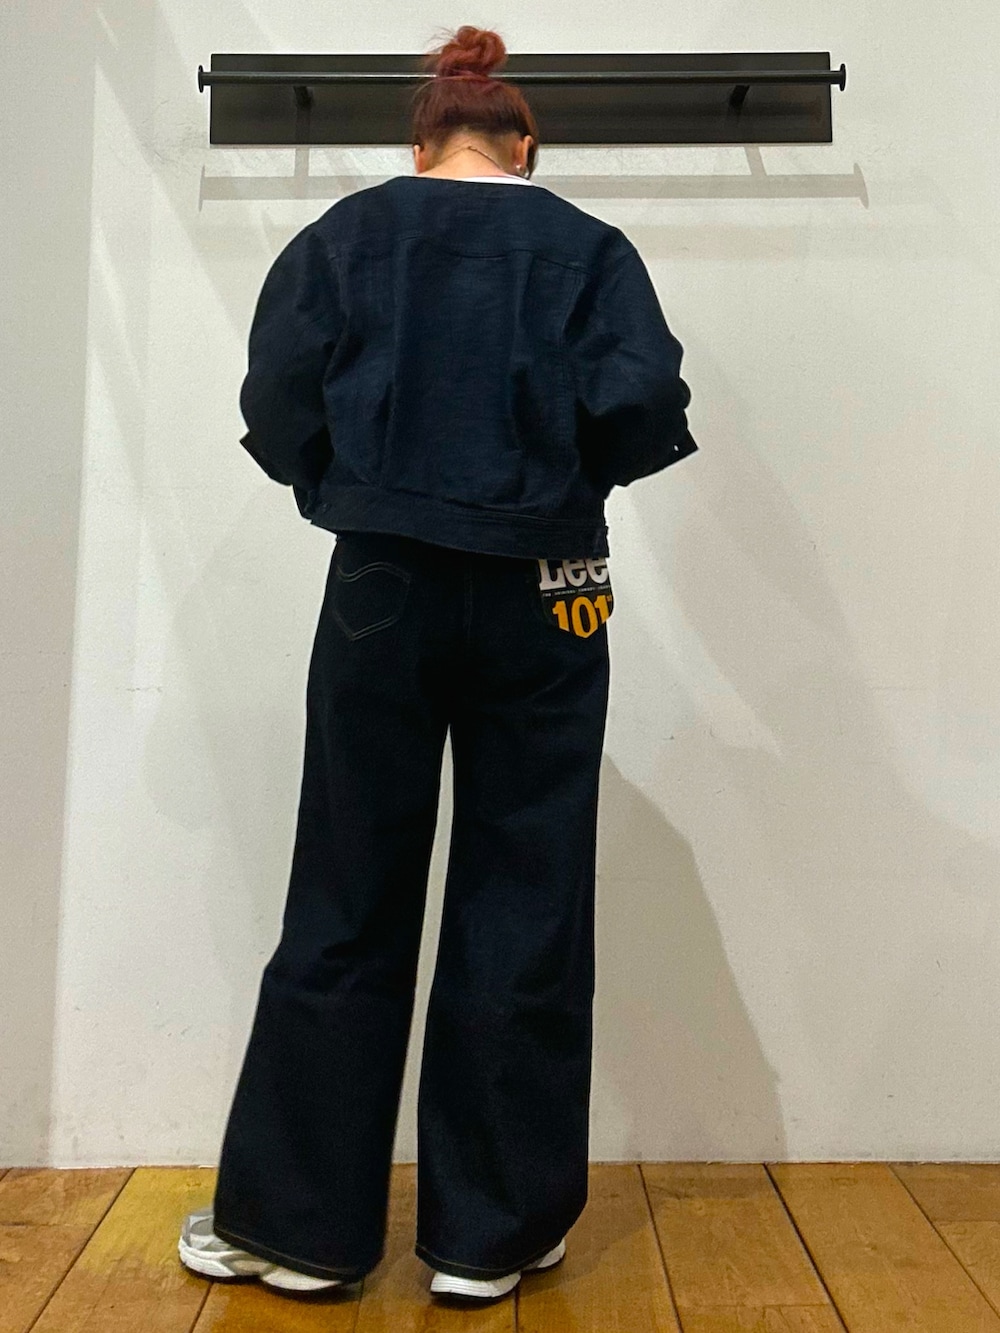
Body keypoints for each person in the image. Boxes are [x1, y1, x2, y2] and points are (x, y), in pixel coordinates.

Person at [177, 22, 697, 1303]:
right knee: (527, 888)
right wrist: (555, 489)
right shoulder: (589, 249)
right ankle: (489, 1236)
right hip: (550, 588)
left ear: (420, 144)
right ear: (526, 142)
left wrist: (352, 489)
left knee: (346, 887)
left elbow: (275, 400)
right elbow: (644, 403)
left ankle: (300, 1232)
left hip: (382, 584)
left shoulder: (344, 238)